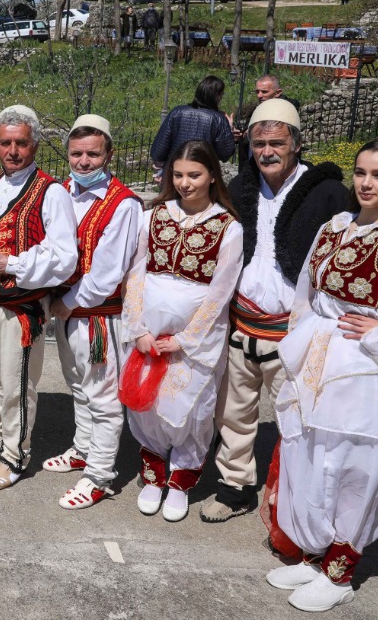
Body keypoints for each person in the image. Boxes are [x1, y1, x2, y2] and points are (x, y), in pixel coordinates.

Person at [265, 139, 378, 612]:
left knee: (356, 464)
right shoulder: (334, 227)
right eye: (361, 172)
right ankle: (316, 554)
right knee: (310, 456)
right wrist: (299, 344)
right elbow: (305, 293)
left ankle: (341, 568)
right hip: (318, 360)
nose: (365, 183)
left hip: (363, 368)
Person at [201, 100, 348, 524]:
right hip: (243, 322)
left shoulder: (328, 194)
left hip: (295, 331)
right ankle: (235, 487)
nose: (266, 151)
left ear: (297, 145)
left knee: (300, 418)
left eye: (276, 143)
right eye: (259, 143)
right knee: (233, 413)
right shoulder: (238, 188)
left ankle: (297, 496)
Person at [121, 139, 243, 522]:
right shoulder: (153, 215)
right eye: (178, 175)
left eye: (194, 175)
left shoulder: (228, 226)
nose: (185, 183)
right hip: (150, 328)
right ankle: (154, 475)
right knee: (149, 405)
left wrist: (186, 338)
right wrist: (137, 326)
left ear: (212, 176)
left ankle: (181, 481)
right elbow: (136, 272)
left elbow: (221, 291)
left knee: (191, 408)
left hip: (195, 336)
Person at [0, 105, 78, 491]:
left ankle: (15, 456)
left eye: (21, 143)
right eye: (6, 143)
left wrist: (10, 263)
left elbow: (64, 257)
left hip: (18, 310)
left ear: (35, 144)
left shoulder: (51, 192)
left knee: (17, 386)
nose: (13, 151)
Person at [44, 115, 141, 509]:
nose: (83, 162)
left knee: (103, 398)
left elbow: (107, 273)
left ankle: (99, 475)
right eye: (76, 154)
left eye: (93, 154)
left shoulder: (123, 204)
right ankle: (82, 448)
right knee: (78, 385)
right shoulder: (63, 190)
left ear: (109, 154)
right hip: (67, 311)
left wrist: (64, 304)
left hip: (96, 315)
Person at [150, 76, 236, 176]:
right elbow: (225, 153)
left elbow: (158, 151)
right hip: (201, 175)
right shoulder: (219, 119)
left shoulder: (176, 112)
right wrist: (229, 130)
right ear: (218, 96)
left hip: (174, 173)